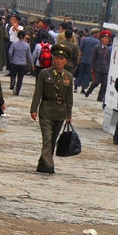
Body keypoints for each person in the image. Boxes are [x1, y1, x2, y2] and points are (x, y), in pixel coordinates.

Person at [30, 44, 74, 174]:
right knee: (47, 138)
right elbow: (38, 92)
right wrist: (34, 109)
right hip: (46, 111)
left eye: (62, 59)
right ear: (53, 59)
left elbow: (69, 98)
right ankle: (49, 164)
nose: (59, 61)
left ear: (66, 61)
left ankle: (42, 163)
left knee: (53, 140)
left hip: (60, 113)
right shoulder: (45, 74)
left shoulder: (68, 77)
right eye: (57, 58)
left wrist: (69, 114)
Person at [85, 30, 112, 102]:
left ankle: (100, 97)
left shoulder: (108, 49)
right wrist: (92, 68)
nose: (106, 40)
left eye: (107, 38)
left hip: (105, 69)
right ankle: (89, 90)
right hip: (97, 68)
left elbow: (109, 60)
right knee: (96, 82)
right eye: (104, 38)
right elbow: (93, 58)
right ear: (101, 39)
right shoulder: (97, 47)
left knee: (104, 84)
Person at [7, 29, 34, 95]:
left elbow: (10, 53)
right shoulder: (26, 45)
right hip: (23, 63)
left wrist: (11, 59)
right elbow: (29, 56)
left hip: (14, 62)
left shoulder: (14, 44)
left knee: (13, 74)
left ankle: (13, 83)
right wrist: (32, 64)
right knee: (20, 77)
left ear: (18, 36)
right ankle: (18, 90)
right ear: (24, 36)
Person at [75, 28, 99, 93]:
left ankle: (76, 87)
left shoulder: (84, 39)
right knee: (87, 75)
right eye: (98, 33)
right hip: (91, 62)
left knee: (80, 74)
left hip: (83, 60)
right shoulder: (97, 42)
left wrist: (79, 59)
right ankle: (83, 89)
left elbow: (80, 50)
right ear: (95, 33)